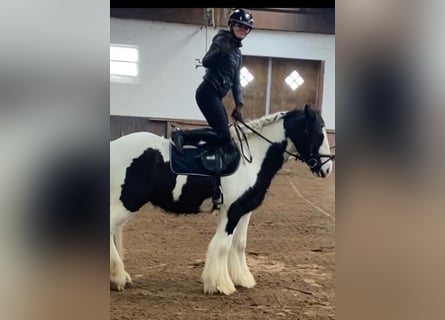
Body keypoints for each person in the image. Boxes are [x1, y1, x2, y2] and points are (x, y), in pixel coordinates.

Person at [173, 8, 254, 157]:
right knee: (223, 135)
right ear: (231, 25)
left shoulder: (238, 53)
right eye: (239, 26)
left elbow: (236, 82)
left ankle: (203, 150)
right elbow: (206, 61)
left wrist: (239, 105)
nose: (242, 30)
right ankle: (182, 135)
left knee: (224, 135)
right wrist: (221, 51)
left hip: (216, 96)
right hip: (207, 92)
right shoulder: (221, 39)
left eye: (246, 28)